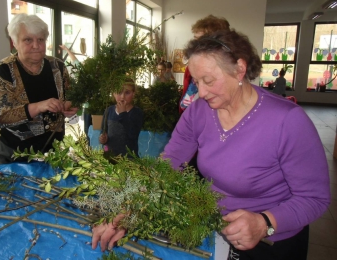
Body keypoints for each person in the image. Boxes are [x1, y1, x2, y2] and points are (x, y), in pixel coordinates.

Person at [91, 30, 330, 260]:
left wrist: (264, 223)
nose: (201, 92)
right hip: (216, 230)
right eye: (196, 82)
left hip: (272, 241)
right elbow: (168, 164)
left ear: (239, 70)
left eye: (208, 81)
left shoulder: (288, 121)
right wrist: (127, 213)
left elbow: (314, 198)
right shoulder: (199, 112)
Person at [0, 14, 78, 164]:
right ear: (15, 43)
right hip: (15, 153)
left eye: (40, 40)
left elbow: (72, 96)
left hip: (52, 149)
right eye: (28, 40)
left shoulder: (58, 66)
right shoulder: (2, 70)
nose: (36, 45)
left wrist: (71, 105)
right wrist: (37, 107)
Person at [180, 15, 230, 114]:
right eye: (195, 39)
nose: (196, 44)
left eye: (201, 40)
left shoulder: (226, 72)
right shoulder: (191, 70)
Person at [98, 78, 143, 157]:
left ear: (133, 94)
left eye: (127, 93)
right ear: (113, 93)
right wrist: (103, 139)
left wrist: (123, 113)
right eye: (119, 92)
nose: (122, 97)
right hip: (110, 157)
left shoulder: (137, 113)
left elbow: (133, 135)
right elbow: (103, 131)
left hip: (128, 159)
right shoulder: (108, 111)